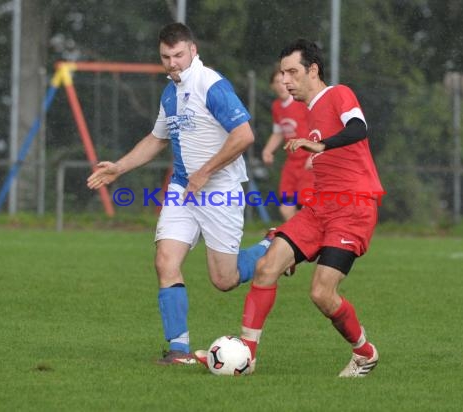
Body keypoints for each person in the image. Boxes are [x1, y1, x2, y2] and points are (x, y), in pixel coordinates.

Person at [196, 39, 384, 377]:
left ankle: (365, 353)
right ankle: (246, 355)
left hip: (353, 207)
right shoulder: (306, 111)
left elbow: (359, 128)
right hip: (319, 209)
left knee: (321, 293)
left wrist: (321, 144)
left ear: (313, 70)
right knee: (268, 266)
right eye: (282, 73)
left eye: (292, 72)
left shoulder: (339, 94)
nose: (285, 80)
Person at [87, 22, 272, 365]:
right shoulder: (170, 92)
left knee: (224, 279)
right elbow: (156, 138)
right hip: (183, 190)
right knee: (165, 261)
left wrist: (205, 172)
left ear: (193, 51)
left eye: (178, 55)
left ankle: (271, 247)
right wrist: (119, 168)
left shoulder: (210, 84)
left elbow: (244, 135)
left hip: (220, 192)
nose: (172, 62)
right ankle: (179, 351)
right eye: (166, 56)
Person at [261, 66, 314, 220]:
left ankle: (307, 240)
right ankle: (298, 240)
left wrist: (314, 154)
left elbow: (317, 128)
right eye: (277, 81)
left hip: (307, 162)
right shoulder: (276, 106)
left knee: (305, 207)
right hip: (291, 163)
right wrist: (267, 150)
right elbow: (278, 132)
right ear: (272, 85)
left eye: (284, 81)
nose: (281, 85)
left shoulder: (302, 102)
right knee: (286, 208)